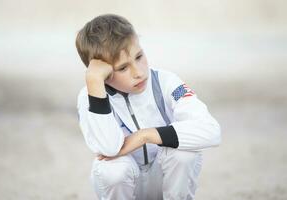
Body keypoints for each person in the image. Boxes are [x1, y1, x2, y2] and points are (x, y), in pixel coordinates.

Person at [75, 14, 221, 200]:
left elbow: (211, 130)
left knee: (184, 154)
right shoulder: (90, 96)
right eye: (122, 68)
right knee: (112, 170)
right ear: (103, 73)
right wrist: (94, 81)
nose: (139, 72)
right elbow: (109, 148)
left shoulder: (166, 82)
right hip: (128, 183)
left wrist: (145, 135)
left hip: (163, 178)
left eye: (139, 56)